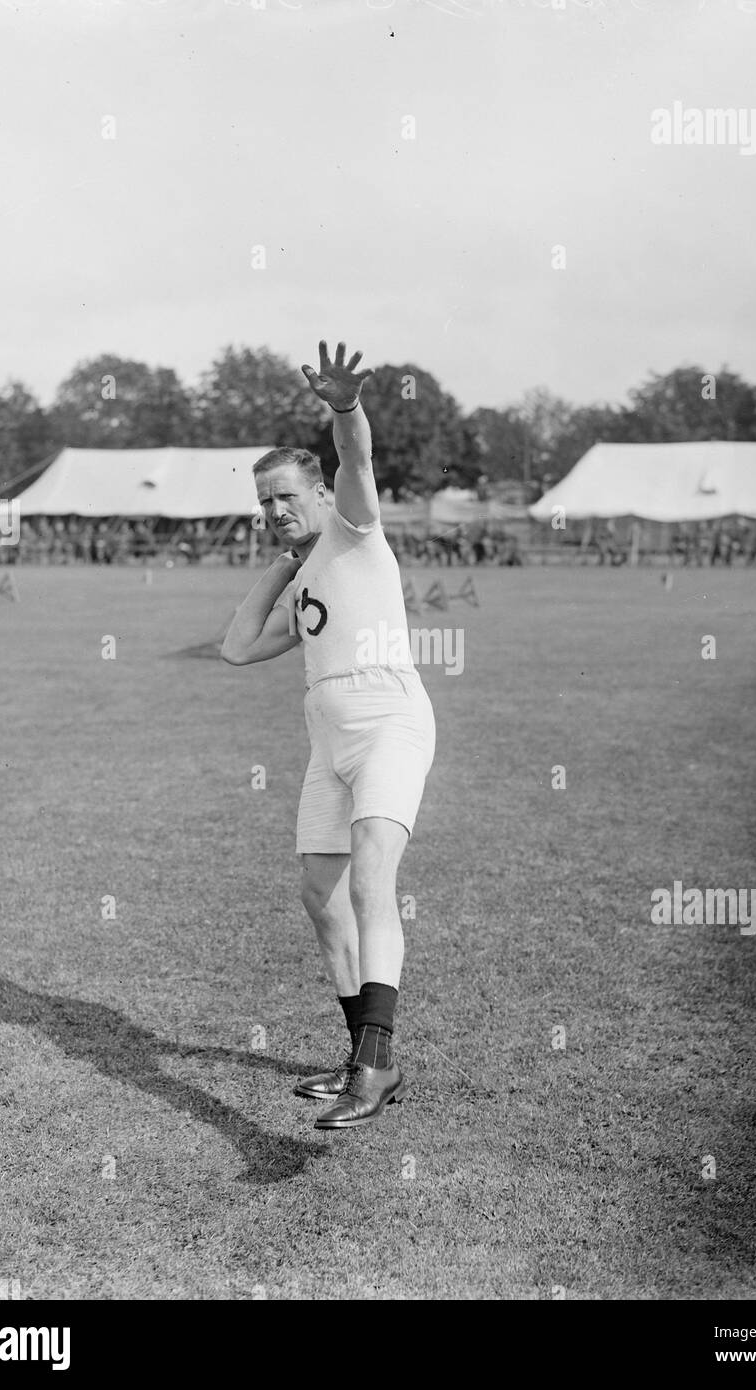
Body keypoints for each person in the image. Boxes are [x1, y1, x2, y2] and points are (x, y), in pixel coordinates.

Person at [221, 340, 436, 1130]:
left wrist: (345, 410)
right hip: (328, 745)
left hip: (387, 725)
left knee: (372, 882)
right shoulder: (306, 572)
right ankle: (361, 1056)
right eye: (264, 502)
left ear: (318, 493)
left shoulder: (354, 529)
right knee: (321, 894)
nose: (276, 510)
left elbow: (355, 457)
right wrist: (280, 566)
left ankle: (375, 1067)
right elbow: (238, 647)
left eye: (285, 496)